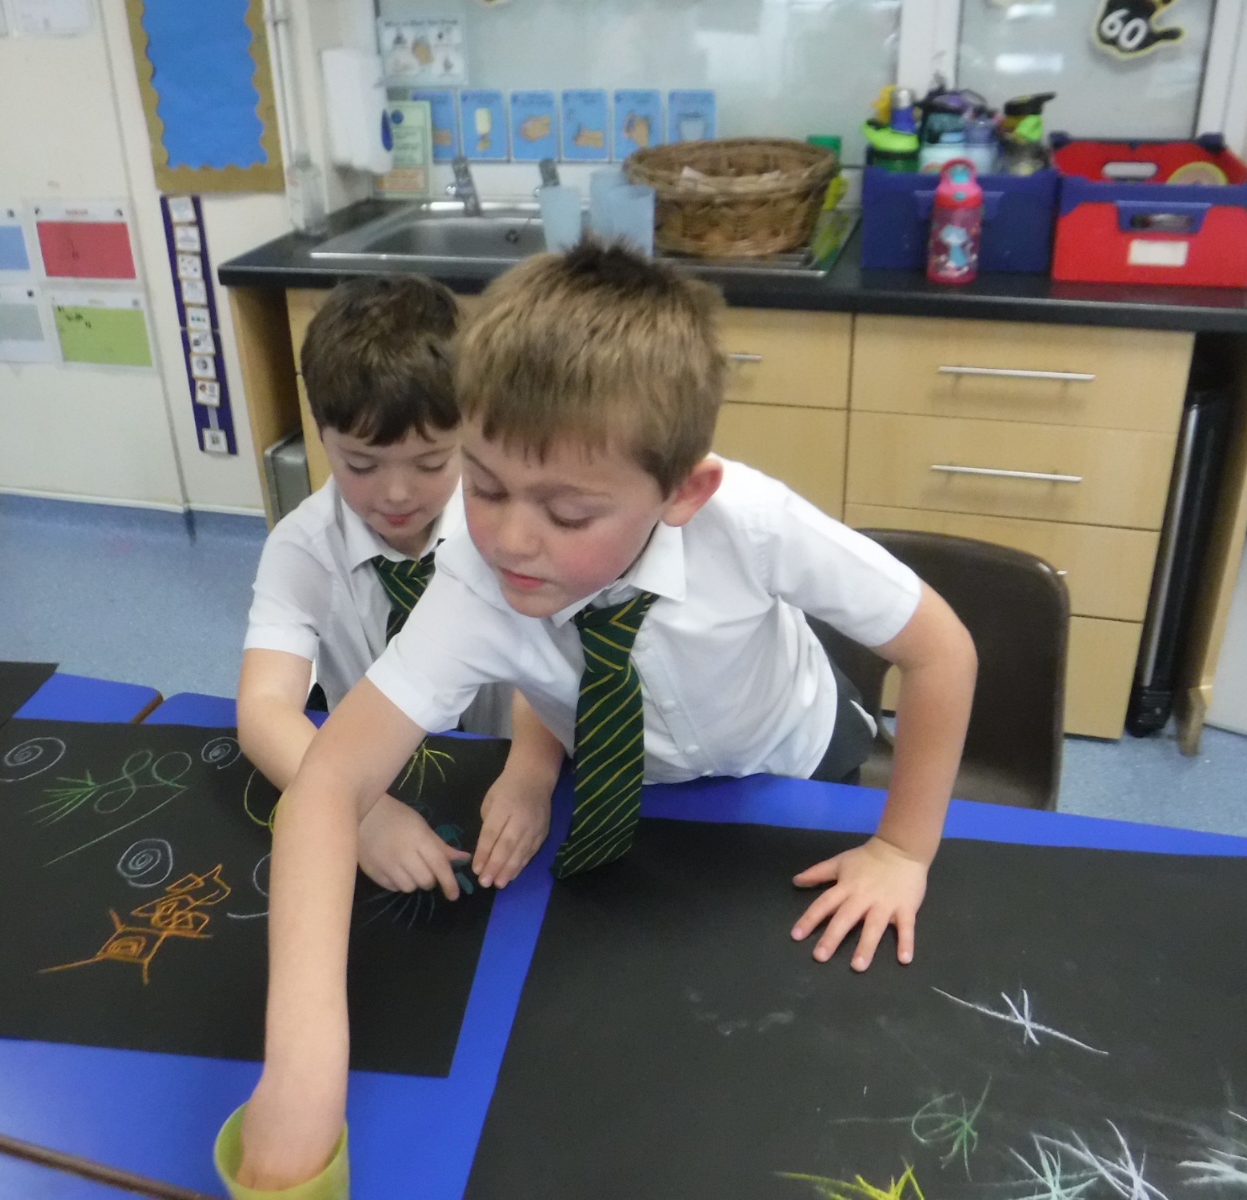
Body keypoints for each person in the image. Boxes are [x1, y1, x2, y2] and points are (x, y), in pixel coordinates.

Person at [228, 242, 977, 1195]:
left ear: (682, 492)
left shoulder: (749, 523)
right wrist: (301, 1072)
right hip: (630, 786)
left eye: (569, 514)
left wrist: (903, 850)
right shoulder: (475, 582)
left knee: (805, 1045)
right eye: (485, 486)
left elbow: (941, 650)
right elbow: (329, 785)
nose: (509, 538)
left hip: (792, 762)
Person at [237, 274, 563, 904]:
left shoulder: (509, 531)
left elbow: (548, 661)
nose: (395, 493)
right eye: (360, 464)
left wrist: (530, 772)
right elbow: (264, 708)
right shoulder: (303, 548)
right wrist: (358, 812)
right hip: (370, 773)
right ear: (322, 434)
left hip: (504, 768)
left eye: (431, 462)